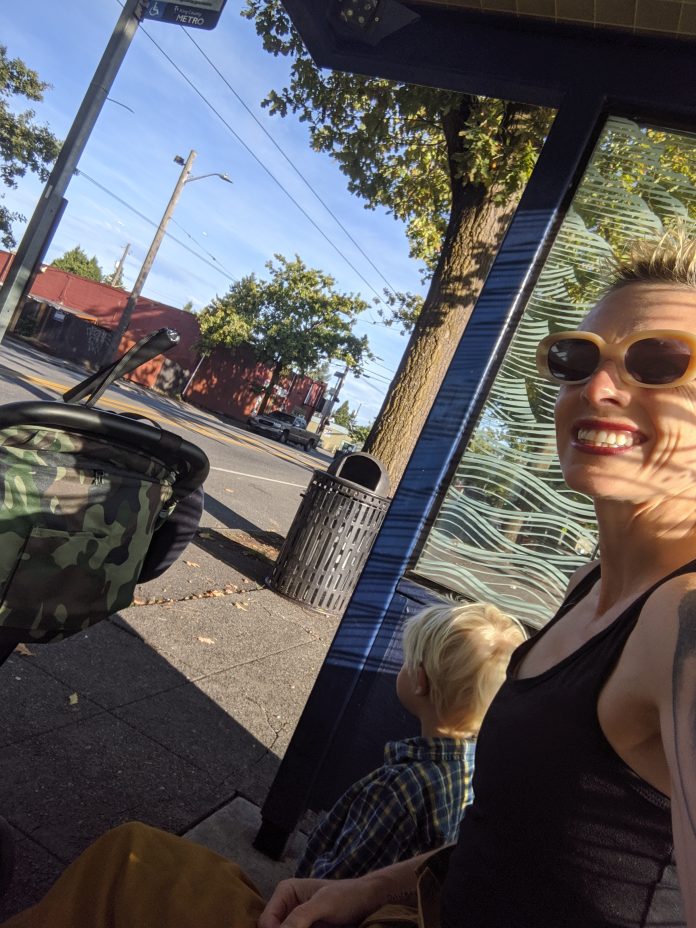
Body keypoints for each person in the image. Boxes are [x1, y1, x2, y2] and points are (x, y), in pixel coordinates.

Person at [3, 230, 696, 928]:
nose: (599, 385)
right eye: (577, 359)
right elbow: (514, 834)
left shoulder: (684, 621)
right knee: (131, 860)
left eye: (659, 362)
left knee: (121, 881)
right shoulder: (592, 584)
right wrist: (375, 888)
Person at [296, 602, 525, 878]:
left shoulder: (399, 789)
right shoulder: (479, 775)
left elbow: (337, 882)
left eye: (407, 660)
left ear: (420, 680)